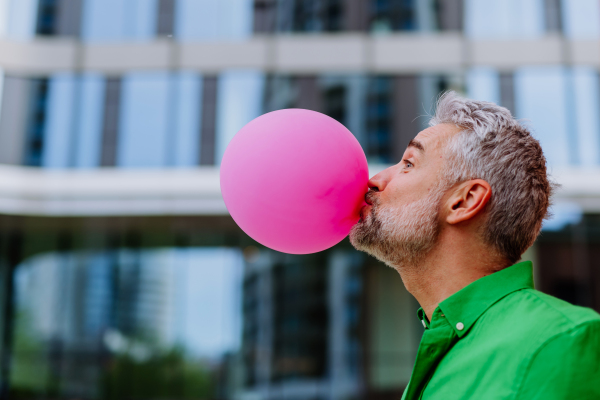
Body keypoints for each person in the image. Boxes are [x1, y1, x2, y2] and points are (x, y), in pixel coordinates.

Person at [350, 91, 600, 400]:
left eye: (408, 164)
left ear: (464, 201)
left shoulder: (564, 341)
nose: (374, 180)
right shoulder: (439, 359)